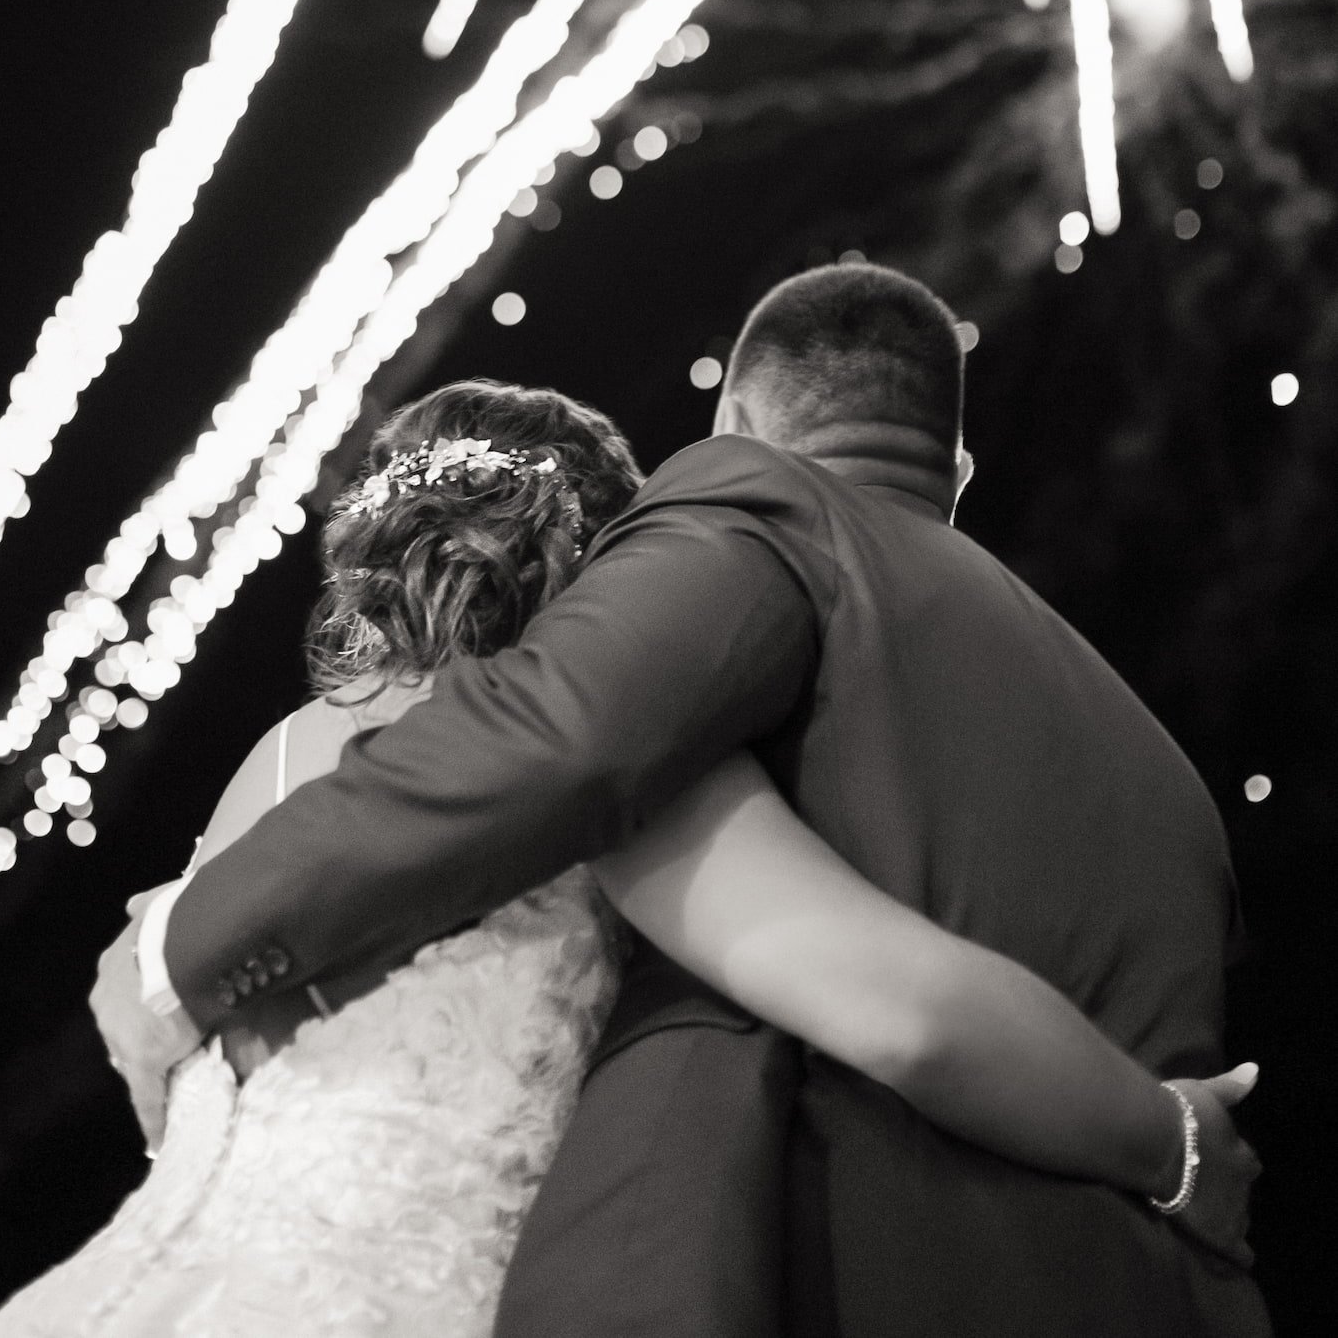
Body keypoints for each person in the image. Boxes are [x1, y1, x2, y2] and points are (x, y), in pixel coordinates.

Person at [93, 268, 1271, 1337]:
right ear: (954, 471)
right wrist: (1169, 1142)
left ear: (732, 432)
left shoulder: (733, 569)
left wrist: (170, 950)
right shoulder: (1159, 766)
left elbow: (569, 748)